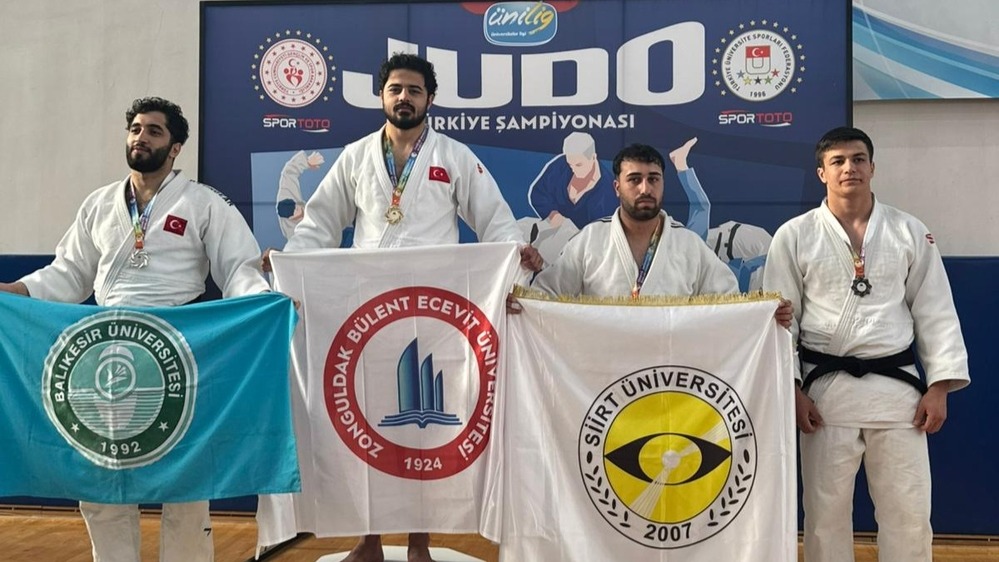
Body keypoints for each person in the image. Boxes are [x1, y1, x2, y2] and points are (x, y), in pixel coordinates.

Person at [265, 53, 541, 562]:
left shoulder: (454, 156)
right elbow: (319, 222)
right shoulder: (355, 157)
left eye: (414, 90)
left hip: (435, 309)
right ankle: (368, 539)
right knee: (364, 417)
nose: (404, 98)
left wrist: (514, 269)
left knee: (426, 429)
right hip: (365, 305)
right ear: (382, 96)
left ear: (429, 98)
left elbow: (496, 222)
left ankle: (420, 541)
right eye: (395, 89)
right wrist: (289, 266)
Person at [0, 97, 270, 561]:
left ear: (176, 147)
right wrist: (17, 290)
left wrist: (263, 302)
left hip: (177, 346)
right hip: (105, 347)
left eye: (154, 131)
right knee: (103, 473)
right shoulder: (99, 203)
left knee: (185, 477)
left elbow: (238, 267)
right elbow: (69, 273)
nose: (141, 137)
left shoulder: (203, 203)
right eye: (136, 129)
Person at [763, 127, 969, 562]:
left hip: (897, 393)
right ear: (821, 173)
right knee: (824, 516)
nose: (849, 168)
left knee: (909, 513)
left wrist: (940, 386)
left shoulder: (909, 230)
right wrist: (792, 389)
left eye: (858, 159)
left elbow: (935, 310)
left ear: (872, 167)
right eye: (837, 161)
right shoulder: (794, 235)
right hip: (825, 394)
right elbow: (782, 321)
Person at [527, 131, 618, 230]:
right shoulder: (561, 164)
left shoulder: (609, 191)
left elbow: (602, 231)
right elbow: (538, 193)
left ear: (593, 157)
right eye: (570, 164)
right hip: (551, 232)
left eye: (579, 165)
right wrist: (551, 214)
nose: (573, 169)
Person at [276, 150, 325, 239]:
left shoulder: (286, 193)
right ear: (291, 218)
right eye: (295, 211)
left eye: (295, 206)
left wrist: (306, 162)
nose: (298, 208)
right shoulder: (292, 232)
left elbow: (288, 172)